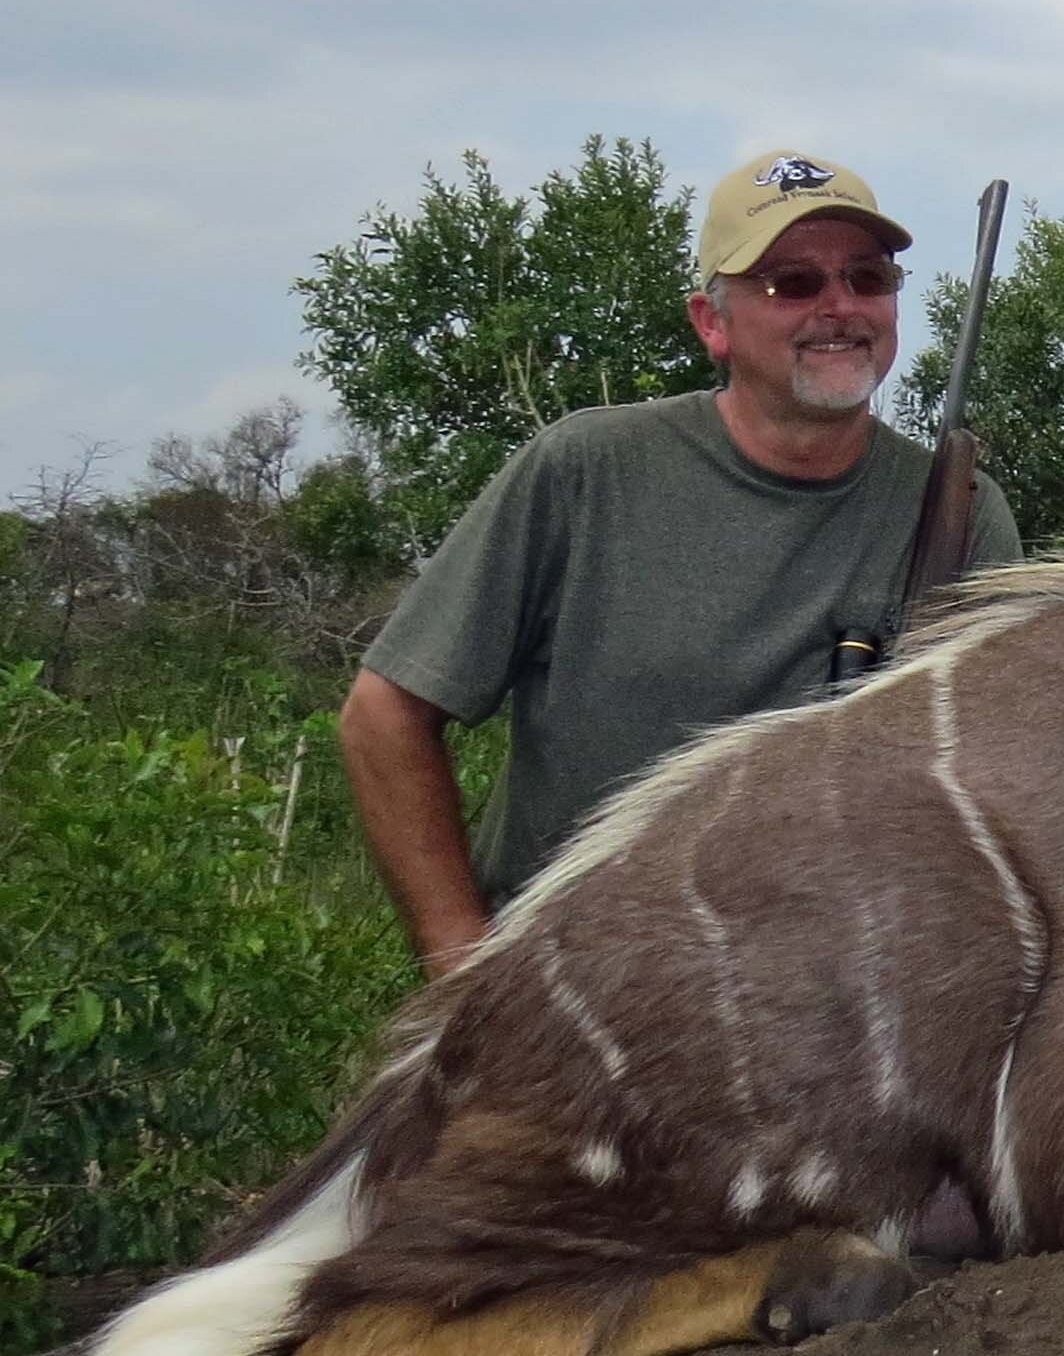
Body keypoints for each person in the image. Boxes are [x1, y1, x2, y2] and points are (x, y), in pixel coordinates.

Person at [338, 147, 1022, 975]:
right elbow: (384, 716)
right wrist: (460, 964)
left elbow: (987, 790)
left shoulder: (962, 510)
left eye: (868, 279)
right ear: (712, 322)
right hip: (572, 998)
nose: (840, 307)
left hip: (829, 1016)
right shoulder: (586, 468)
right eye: (792, 283)